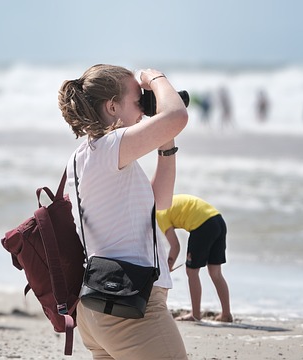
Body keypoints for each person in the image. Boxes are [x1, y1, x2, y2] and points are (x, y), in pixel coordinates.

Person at [59, 64, 189, 359]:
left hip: (97, 308)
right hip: (128, 308)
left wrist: (164, 140)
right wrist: (156, 78)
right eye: (137, 100)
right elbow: (178, 116)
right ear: (113, 106)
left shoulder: (87, 155)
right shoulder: (110, 148)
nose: (143, 106)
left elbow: (162, 201)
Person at [156, 194, 233, 323]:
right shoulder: (168, 201)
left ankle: (195, 314)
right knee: (215, 273)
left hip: (202, 225)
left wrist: (166, 269)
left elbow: (175, 246)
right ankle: (226, 314)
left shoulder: (159, 213)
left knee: (191, 272)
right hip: (218, 220)